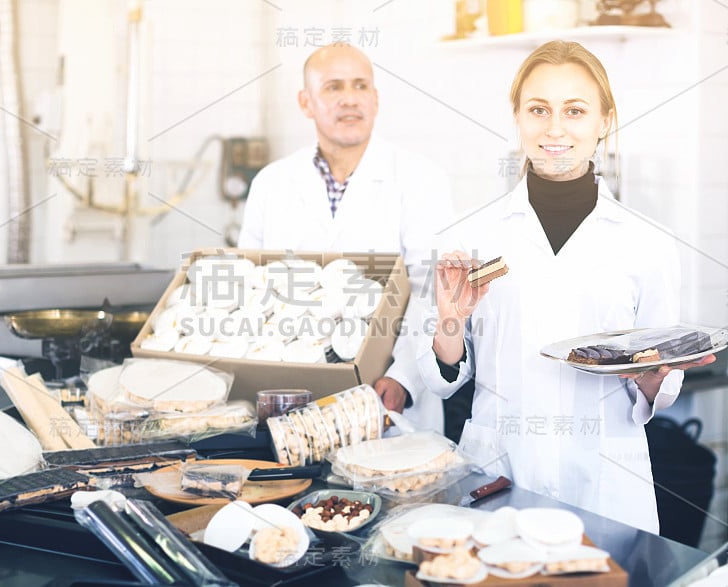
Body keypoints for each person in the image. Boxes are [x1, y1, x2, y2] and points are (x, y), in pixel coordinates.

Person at [417, 40, 716, 533]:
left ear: (604, 121)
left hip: (605, 479)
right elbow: (442, 378)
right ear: (518, 117)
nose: (555, 128)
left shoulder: (649, 244)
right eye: (539, 109)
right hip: (500, 471)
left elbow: (660, 385)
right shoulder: (472, 236)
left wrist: (652, 375)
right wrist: (450, 319)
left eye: (575, 111)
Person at [239, 43, 453, 433]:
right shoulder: (272, 183)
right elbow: (248, 288)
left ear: (376, 98)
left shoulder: (421, 179)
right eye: (333, 88)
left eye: (360, 86)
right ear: (306, 102)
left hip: (387, 403)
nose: (349, 100)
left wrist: (404, 378)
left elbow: (433, 292)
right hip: (290, 404)